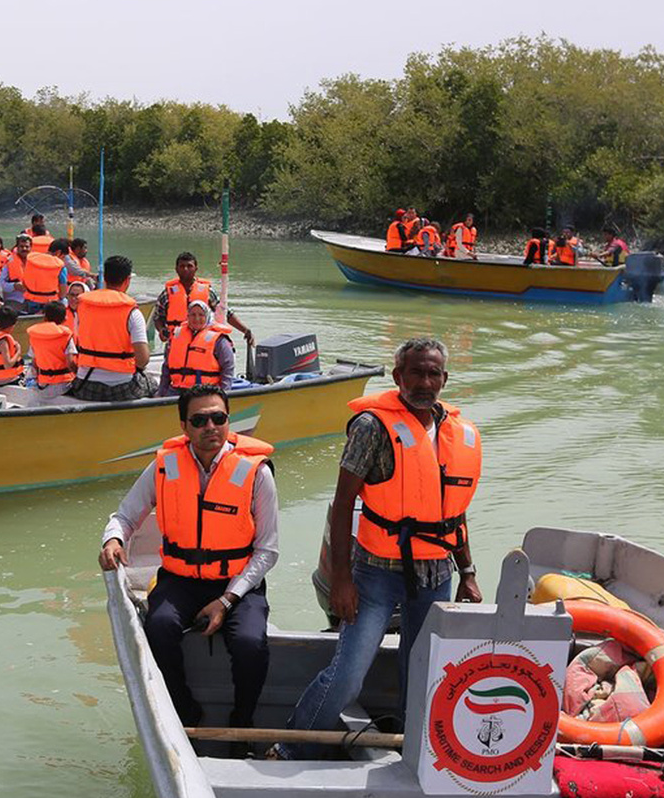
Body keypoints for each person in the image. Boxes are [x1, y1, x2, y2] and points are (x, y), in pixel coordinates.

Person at [277, 338, 482, 760]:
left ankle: (412, 754)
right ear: (397, 377)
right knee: (348, 677)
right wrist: (341, 580)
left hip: (436, 575)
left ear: (444, 379)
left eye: (433, 374)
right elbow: (342, 505)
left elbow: (452, 511)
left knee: (422, 671)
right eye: (415, 373)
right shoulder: (372, 428)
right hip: (376, 573)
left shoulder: (452, 431)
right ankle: (289, 748)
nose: (424, 382)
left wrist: (469, 572)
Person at [99, 384, 278, 733]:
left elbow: (268, 551)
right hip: (180, 579)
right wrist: (114, 540)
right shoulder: (164, 467)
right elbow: (125, 515)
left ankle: (242, 723)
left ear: (229, 421)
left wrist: (226, 601)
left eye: (218, 418)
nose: (210, 427)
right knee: (159, 628)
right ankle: (183, 712)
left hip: (237, 583)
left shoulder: (258, 473)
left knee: (250, 644)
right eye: (199, 420)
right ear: (184, 426)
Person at [69, 255, 154, 402]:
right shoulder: (132, 313)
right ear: (127, 280)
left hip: (86, 383)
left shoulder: (82, 308)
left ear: (105, 279)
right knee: (152, 384)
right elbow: (143, 359)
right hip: (122, 385)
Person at [151, 252, 254, 347]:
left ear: (196, 268)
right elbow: (157, 317)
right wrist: (161, 330)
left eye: (189, 266)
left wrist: (245, 330)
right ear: (176, 269)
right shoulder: (167, 294)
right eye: (182, 266)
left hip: (202, 343)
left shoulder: (207, 292)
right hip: (176, 342)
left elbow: (225, 313)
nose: (186, 269)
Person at [158, 300, 234, 396]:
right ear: (188, 316)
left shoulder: (219, 340)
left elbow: (228, 368)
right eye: (193, 315)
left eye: (201, 315)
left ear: (207, 316)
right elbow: (166, 368)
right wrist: (161, 393)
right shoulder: (175, 336)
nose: (196, 318)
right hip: (176, 389)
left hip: (205, 391)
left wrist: (224, 393)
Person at [27, 300, 76, 402]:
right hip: (63, 385)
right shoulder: (65, 336)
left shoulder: (35, 335)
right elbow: (70, 363)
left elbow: (34, 363)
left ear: (45, 317)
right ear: (64, 319)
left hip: (43, 384)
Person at [21, 238, 69, 313]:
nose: (63, 260)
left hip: (30, 301)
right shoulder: (60, 267)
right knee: (64, 301)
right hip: (50, 304)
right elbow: (63, 293)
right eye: (63, 257)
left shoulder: (31, 260)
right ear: (58, 253)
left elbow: (24, 283)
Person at [0, 233, 33, 311]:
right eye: (21, 246)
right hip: (15, 299)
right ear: (17, 247)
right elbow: (0, 285)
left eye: (27, 247)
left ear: (31, 248)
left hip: (34, 299)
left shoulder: (36, 263)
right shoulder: (9, 262)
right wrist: (14, 286)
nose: (24, 249)